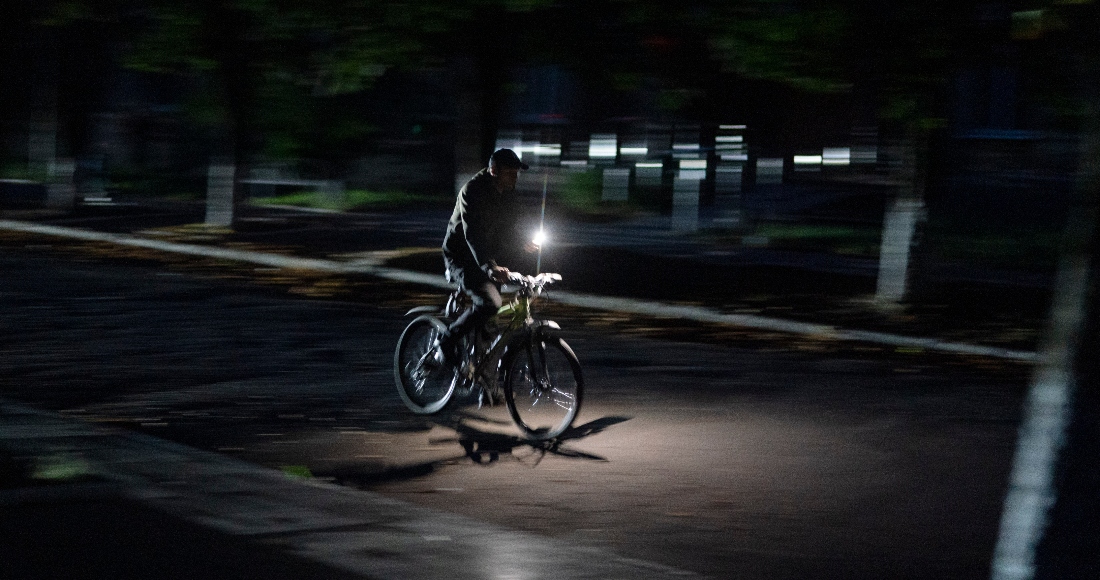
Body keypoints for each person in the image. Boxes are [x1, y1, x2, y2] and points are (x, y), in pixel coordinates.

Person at [433, 148, 534, 369]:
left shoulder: (506, 193)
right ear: (494, 171)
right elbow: (474, 235)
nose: (515, 178)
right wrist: (490, 268)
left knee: (490, 323)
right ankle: (447, 341)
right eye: (510, 173)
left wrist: (524, 240)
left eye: (517, 173)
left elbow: (510, 226)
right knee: (490, 303)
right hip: (461, 258)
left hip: (486, 258)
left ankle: (485, 382)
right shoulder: (472, 191)